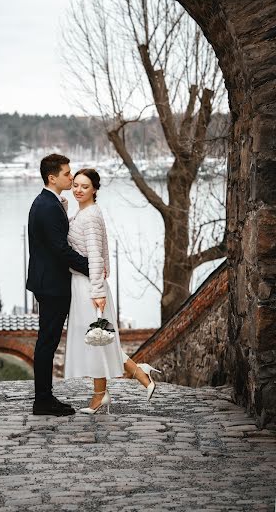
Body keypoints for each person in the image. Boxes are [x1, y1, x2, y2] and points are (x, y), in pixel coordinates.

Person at [64, 168, 161, 414]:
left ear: (95, 190)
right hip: (85, 285)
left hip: (90, 287)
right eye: (75, 184)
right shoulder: (83, 213)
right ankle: (136, 376)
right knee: (98, 341)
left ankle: (106, 393)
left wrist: (97, 291)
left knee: (98, 340)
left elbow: (96, 257)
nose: (78, 190)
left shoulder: (90, 216)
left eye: (84, 186)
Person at [26, 153, 89, 416]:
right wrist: (89, 265)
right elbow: (60, 249)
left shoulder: (48, 203)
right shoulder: (48, 206)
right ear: (52, 177)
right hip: (51, 284)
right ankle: (43, 400)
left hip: (47, 281)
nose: (71, 177)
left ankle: (44, 397)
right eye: (66, 174)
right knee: (47, 342)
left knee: (47, 340)